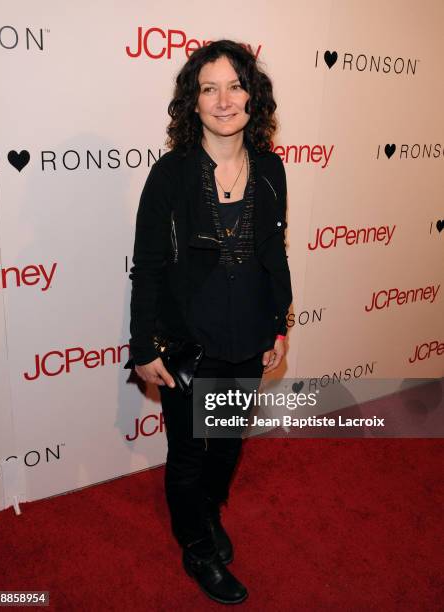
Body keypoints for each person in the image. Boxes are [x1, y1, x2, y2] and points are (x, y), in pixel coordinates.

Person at [127, 39, 293, 605]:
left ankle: (207, 510)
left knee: (226, 444)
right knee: (191, 452)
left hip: (247, 335)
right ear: (192, 103)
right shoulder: (170, 175)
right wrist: (143, 344)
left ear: (254, 96)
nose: (224, 100)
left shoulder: (271, 169)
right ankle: (196, 545)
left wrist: (279, 323)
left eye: (235, 85)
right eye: (209, 88)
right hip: (188, 343)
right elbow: (147, 267)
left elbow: (275, 253)